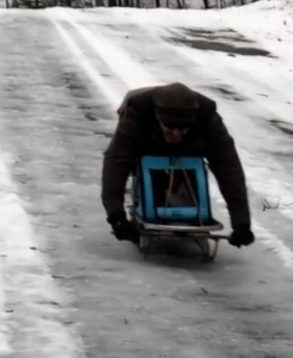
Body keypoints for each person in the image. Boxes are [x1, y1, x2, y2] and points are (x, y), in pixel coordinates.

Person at [101, 82, 255, 248]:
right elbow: (116, 162)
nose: (175, 133)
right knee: (148, 172)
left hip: (192, 143)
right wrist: (116, 217)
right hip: (148, 138)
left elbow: (229, 168)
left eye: (182, 129)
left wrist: (241, 224)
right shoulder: (137, 114)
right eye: (169, 127)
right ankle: (150, 201)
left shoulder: (208, 119)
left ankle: (188, 209)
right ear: (158, 118)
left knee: (190, 171)